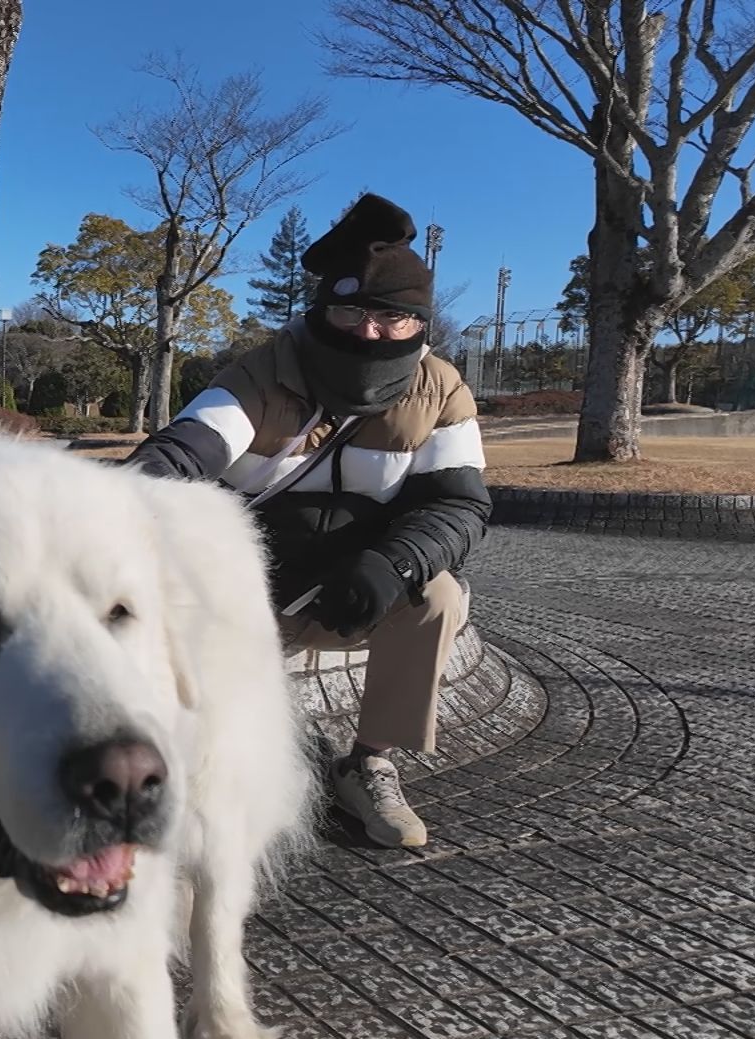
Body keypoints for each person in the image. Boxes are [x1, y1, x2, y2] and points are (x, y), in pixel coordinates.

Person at [126, 193, 490, 848]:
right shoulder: (262, 371)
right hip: (242, 593)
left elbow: (458, 504)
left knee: (437, 597)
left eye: (390, 317)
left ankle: (368, 762)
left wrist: (392, 564)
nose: (367, 331)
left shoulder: (441, 389)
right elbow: (184, 450)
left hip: (353, 588)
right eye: (349, 310)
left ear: (419, 323)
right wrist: (112, 505)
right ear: (324, 309)